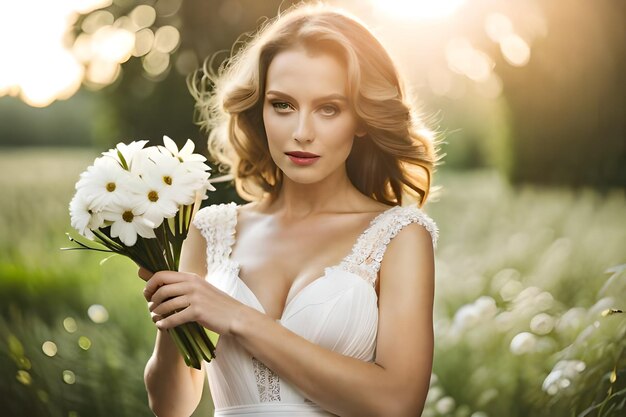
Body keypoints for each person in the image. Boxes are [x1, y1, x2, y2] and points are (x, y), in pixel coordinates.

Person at [139, 3, 442, 416]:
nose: (301, 133)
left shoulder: (400, 235)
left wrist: (239, 318)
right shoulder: (209, 230)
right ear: (259, 109)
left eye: (329, 108)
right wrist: (175, 312)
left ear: (362, 118)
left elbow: (398, 404)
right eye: (282, 105)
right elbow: (171, 407)